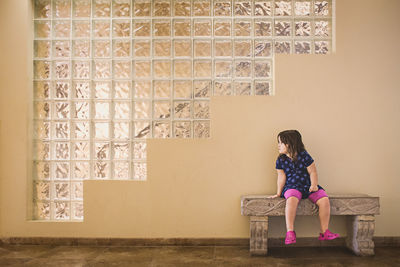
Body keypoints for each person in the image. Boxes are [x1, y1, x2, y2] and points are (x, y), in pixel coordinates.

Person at [268, 130, 340, 245]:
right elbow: (281, 177)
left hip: (308, 185)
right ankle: (290, 232)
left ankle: (324, 231)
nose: (278, 145)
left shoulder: (304, 156)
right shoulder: (280, 160)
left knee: (324, 199)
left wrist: (314, 184)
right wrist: (278, 193)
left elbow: (313, 172)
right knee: (291, 200)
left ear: (290, 144)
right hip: (292, 187)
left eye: (281, 143)